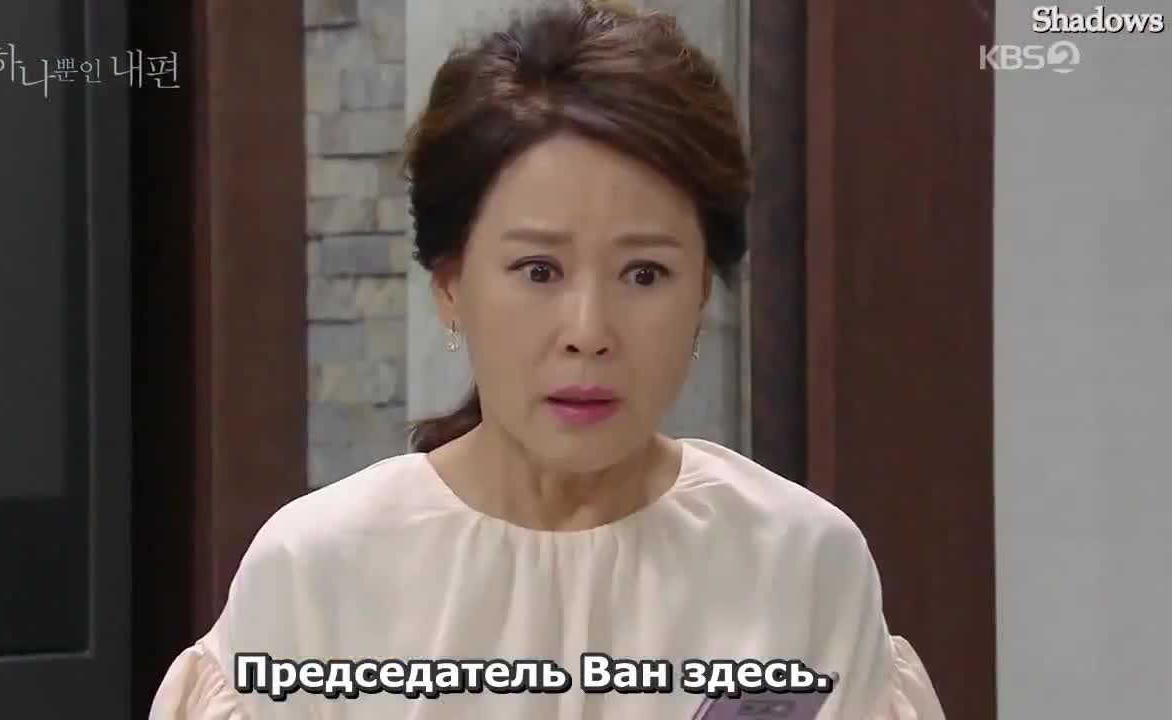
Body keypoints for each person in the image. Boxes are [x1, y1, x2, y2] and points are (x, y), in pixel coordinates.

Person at [150, 1, 946, 718]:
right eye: (539, 271)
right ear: (450, 286)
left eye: (645, 274)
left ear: (702, 291)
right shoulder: (318, 571)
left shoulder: (799, 563)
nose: (588, 331)